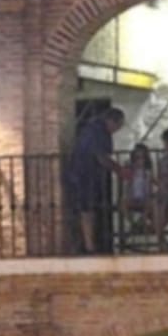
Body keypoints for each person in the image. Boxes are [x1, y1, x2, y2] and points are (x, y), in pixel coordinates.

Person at [66, 107, 125, 254]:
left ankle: (86, 243)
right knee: (86, 210)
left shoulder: (93, 129)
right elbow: (101, 156)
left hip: (86, 175)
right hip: (84, 175)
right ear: (111, 121)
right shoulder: (97, 131)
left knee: (88, 209)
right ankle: (88, 245)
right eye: (118, 126)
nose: (117, 130)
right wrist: (120, 170)